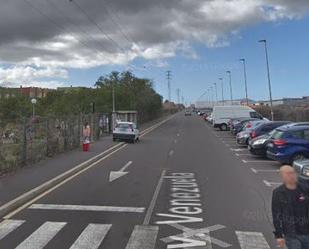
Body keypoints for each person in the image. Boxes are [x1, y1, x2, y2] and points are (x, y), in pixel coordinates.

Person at [272, 165, 309, 249]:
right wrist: (279, 236)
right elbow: (276, 215)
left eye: (292, 173)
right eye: (288, 174)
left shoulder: (305, 189)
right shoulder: (278, 193)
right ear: (283, 177)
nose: (291, 175)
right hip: (291, 234)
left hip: (307, 232)